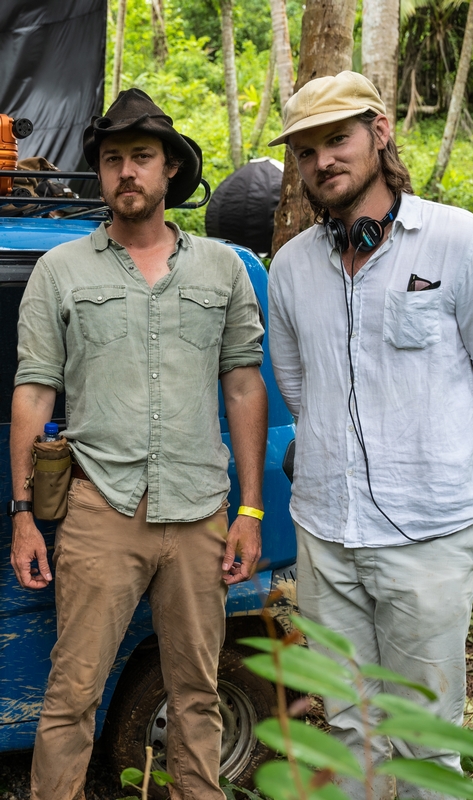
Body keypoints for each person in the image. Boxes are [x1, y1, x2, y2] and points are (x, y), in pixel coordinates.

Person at [267, 71, 473, 799]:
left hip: (428, 536)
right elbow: (301, 389)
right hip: (325, 533)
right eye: (306, 151)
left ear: (380, 132)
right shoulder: (291, 267)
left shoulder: (461, 242)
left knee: (423, 743)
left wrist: (456, 474)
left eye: (338, 139)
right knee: (349, 729)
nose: (322, 160)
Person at [9, 88, 267, 800]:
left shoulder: (223, 270)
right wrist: (24, 513)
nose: (127, 171)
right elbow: (33, 391)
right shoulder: (61, 270)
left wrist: (250, 511)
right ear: (100, 171)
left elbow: (244, 387)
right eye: (113, 158)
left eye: (142, 156)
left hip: (199, 512)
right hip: (100, 509)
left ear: (169, 169)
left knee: (197, 693)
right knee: (71, 694)